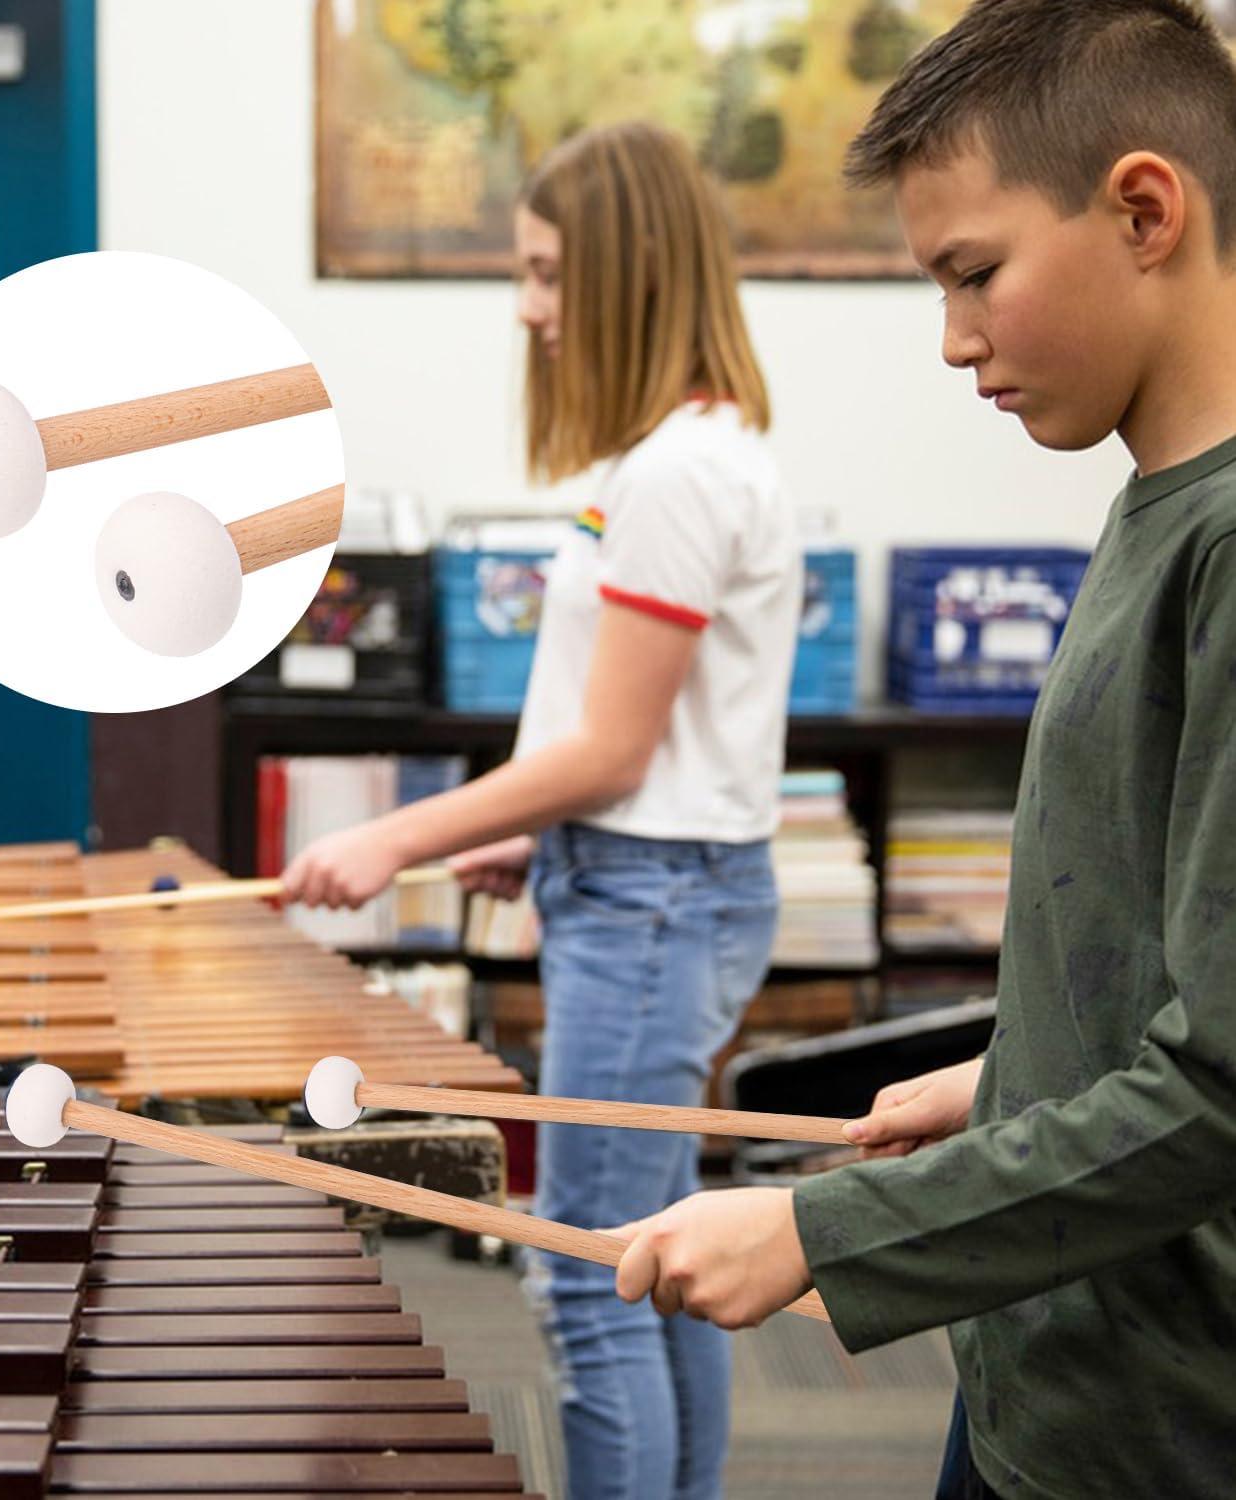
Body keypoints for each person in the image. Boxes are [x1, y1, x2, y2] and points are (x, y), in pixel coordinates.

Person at [609, 4, 1236, 1497]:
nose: (955, 341)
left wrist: (819, 1237)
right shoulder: (1164, 501)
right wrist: (1011, 1073)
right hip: (1050, 1361)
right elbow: (1161, 952)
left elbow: (1222, 1089)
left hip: (1158, 1430)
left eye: (975, 276)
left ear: (1146, 209)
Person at [282, 121, 801, 1500]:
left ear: (631, 271)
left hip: (653, 900)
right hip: (653, 880)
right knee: (661, 1251)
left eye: (548, 274)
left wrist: (397, 835)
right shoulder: (686, 454)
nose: (529, 307)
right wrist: (536, 832)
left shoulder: (683, 473)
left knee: (586, 1266)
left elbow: (614, 748)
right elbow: (648, 738)